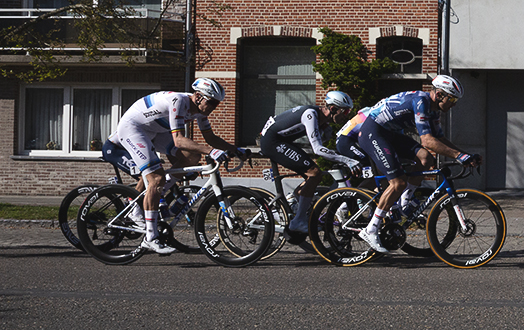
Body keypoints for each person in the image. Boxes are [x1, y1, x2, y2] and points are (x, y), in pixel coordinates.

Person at [107, 78, 244, 255]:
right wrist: (211, 151)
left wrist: (236, 149)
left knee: (192, 156)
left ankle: (158, 192)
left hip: (155, 131)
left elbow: (210, 138)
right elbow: (179, 140)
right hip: (134, 128)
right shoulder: (178, 101)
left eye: (216, 104)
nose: (213, 107)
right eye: (211, 102)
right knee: (156, 178)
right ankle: (150, 236)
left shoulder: (201, 111)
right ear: (198, 96)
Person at [350, 75, 479, 253]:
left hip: (390, 134)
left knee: (426, 159)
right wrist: (458, 156)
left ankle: (405, 200)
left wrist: (465, 155)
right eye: (453, 99)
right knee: (398, 182)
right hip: (374, 132)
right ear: (440, 94)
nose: (454, 104)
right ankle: (370, 229)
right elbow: (427, 141)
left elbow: (439, 139)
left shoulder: (433, 110)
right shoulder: (421, 102)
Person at [258, 89, 359, 236]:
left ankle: (297, 197)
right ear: (333, 109)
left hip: (281, 140)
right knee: (315, 173)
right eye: (344, 112)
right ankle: (298, 220)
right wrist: (347, 160)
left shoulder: (323, 120)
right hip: (272, 142)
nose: (346, 116)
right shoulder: (310, 115)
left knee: (311, 173)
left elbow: (319, 143)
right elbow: (318, 149)